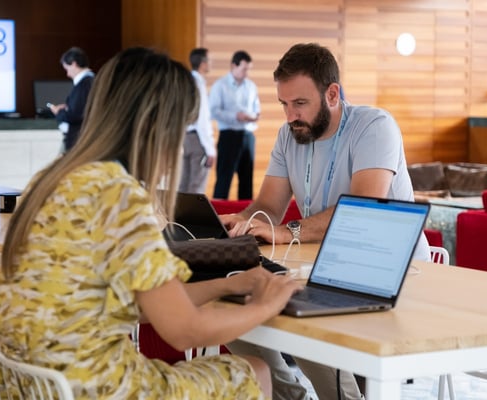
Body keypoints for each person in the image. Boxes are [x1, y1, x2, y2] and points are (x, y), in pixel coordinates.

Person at [0, 47, 301, 400]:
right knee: (253, 370)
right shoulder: (118, 195)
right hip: (92, 388)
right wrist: (267, 305)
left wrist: (230, 284)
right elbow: (184, 331)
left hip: (27, 385)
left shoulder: (49, 179)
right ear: (158, 127)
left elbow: (144, 303)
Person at [221, 42, 431, 400]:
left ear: (332, 94)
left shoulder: (374, 126)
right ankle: (288, 394)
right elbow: (268, 206)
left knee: (302, 316)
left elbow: (363, 209)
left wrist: (288, 232)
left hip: (395, 270)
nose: (290, 116)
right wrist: (239, 222)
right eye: (284, 105)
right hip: (325, 264)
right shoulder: (291, 134)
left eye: (299, 103)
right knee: (232, 299)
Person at [209, 50, 260, 200]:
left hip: (247, 136)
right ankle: (217, 216)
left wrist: (254, 117)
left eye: (248, 70)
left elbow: (257, 109)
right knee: (224, 179)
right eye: (244, 69)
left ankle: (245, 218)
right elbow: (213, 111)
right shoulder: (220, 85)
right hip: (228, 135)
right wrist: (235, 116)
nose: (246, 73)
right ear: (233, 66)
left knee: (247, 181)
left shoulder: (251, 86)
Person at [179, 47, 216, 194]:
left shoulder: (184, 81)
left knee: (182, 186)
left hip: (183, 137)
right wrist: (210, 149)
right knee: (196, 187)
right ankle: (192, 218)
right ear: (203, 63)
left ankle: (179, 217)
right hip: (197, 139)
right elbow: (202, 118)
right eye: (210, 61)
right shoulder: (198, 84)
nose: (211, 64)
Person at [48, 46, 95, 153]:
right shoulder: (92, 82)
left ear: (74, 64)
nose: (67, 74)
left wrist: (59, 112)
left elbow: (76, 115)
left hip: (78, 141)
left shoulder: (84, 84)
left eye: (67, 69)